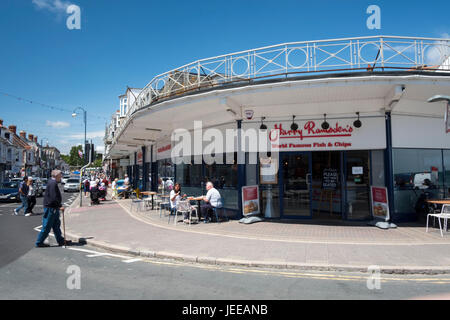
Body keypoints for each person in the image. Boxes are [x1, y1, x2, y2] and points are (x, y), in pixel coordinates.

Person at [35, 170, 72, 248]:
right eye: (60, 175)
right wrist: (59, 206)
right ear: (56, 176)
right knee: (47, 226)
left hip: (53, 208)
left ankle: (61, 241)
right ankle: (39, 242)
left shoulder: (53, 182)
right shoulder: (52, 183)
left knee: (56, 225)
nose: (61, 177)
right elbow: (53, 197)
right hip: (50, 208)